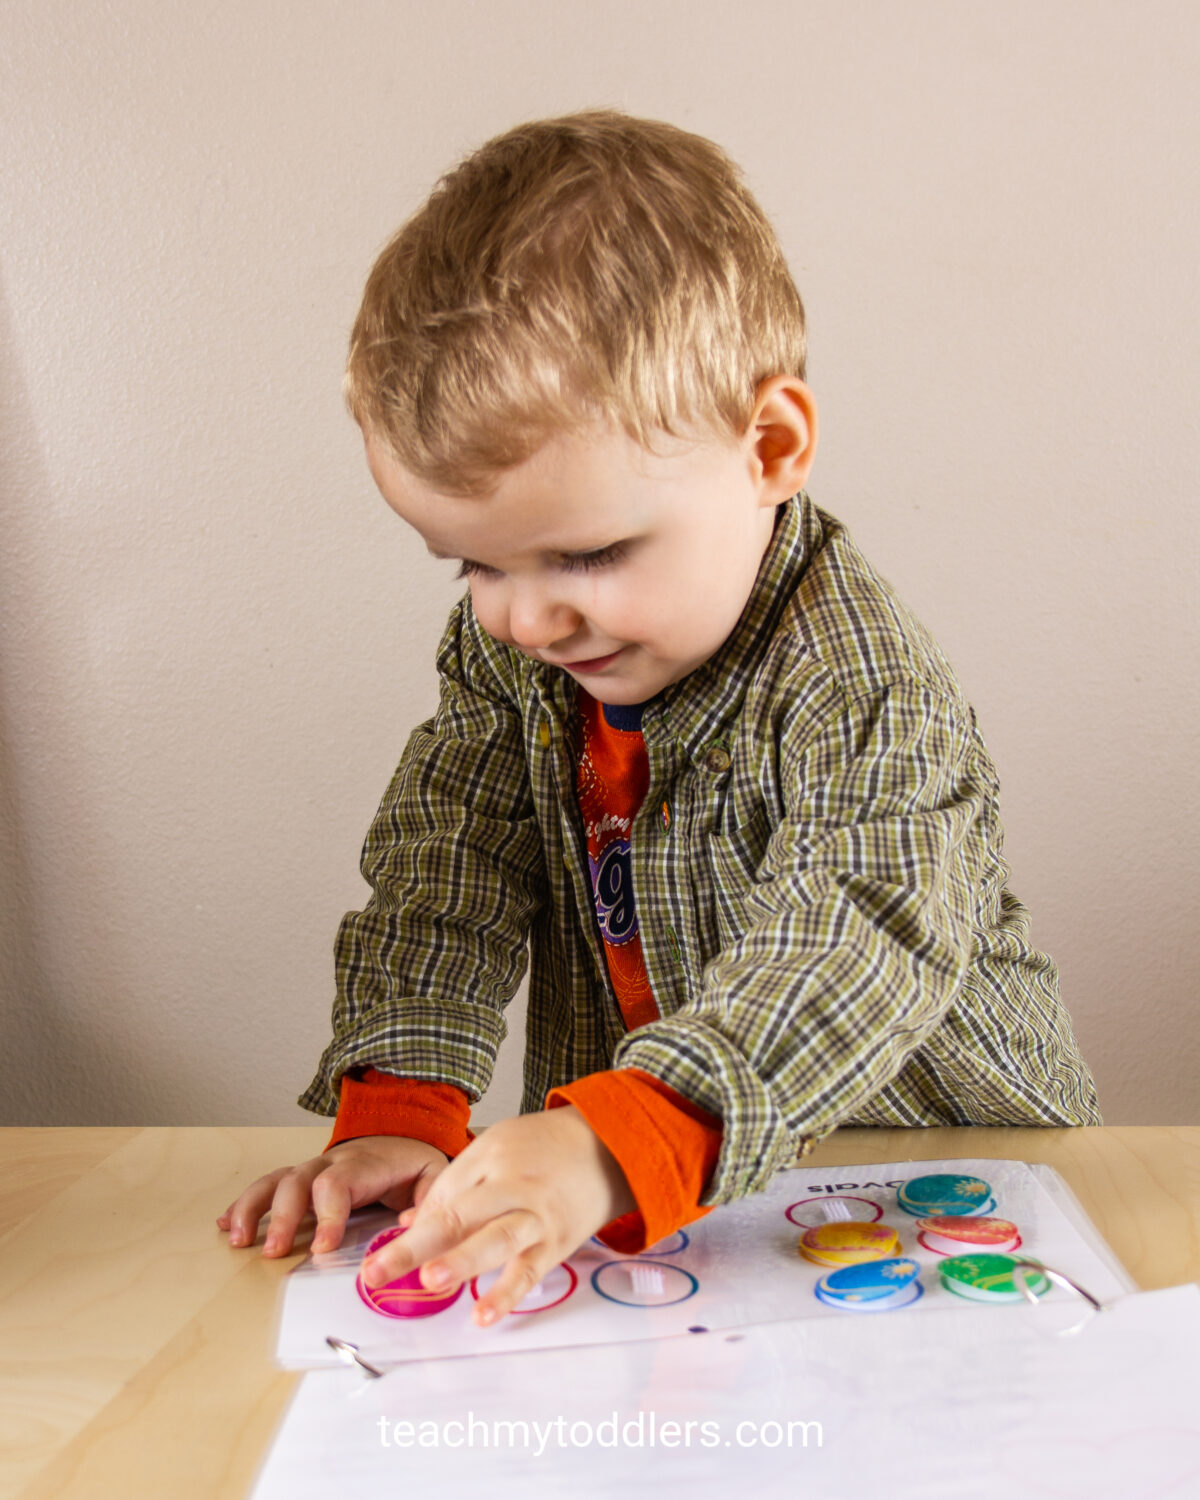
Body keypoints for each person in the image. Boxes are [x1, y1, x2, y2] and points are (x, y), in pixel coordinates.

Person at [218, 110, 1100, 1325]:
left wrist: (612, 1144)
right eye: (470, 566)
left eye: (584, 553)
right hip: (659, 1200)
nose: (525, 618)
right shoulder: (521, 655)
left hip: (932, 1179)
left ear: (770, 447)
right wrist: (407, 1110)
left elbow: (859, 934)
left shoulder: (858, 678)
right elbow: (446, 871)